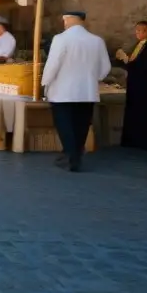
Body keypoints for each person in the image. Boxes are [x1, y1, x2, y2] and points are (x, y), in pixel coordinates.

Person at [41, 11, 112, 172]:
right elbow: (105, 67)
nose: (64, 24)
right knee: (81, 124)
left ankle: (70, 156)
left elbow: (53, 64)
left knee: (65, 124)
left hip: (63, 90)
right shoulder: (97, 40)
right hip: (87, 90)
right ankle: (76, 154)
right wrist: (94, 78)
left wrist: (45, 83)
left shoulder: (60, 39)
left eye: (65, 20)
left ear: (69, 20)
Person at [116, 20, 147, 151]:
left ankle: (146, 142)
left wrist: (126, 59)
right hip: (138, 83)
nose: (137, 33)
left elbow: (146, 65)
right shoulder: (142, 43)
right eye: (136, 30)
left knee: (146, 112)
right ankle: (135, 141)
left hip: (145, 84)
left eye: (141, 31)